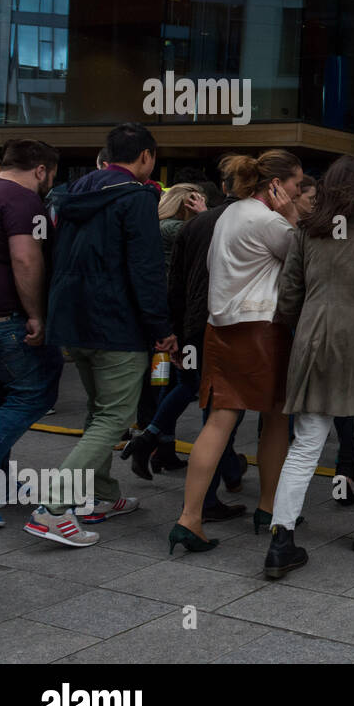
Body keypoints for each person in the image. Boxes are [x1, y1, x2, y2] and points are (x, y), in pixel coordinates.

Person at [26, 124, 175, 546]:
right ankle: (53, 508)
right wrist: (161, 329)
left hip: (71, 319)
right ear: (145, 156)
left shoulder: (71, 194)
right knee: (113, 417)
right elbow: (146, 270)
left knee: (98, 411)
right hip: (116, 324)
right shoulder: (137, 197)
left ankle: (103, 495)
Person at [263, 156, 354, 577]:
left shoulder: (307, 229)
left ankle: (282, 540)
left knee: (307, 441)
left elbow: (289, 294)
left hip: (316, 338)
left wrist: (310, 320)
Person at [169, 150, 302, 554]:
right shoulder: (270, 221)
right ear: (277, 185)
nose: (300, 190)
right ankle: (267, 509)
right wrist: (291, 216)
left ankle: (189, 518)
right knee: (277, 419)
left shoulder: (229, 214)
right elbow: (299, 264)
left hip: (220, 328)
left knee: (219, 421)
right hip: (263, 329)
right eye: (296, 183)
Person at [126, 163, 247, 521]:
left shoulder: (169, 227)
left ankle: (157, 443)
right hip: (197, 324)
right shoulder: (185, 227)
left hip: (177, 322)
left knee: (186, 386)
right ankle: (159, 445)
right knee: (210, 400)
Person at [0, 140, 63, 530]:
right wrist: (36, 314)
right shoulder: (22, 200)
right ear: (41, 170)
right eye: (50, 174)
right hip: (6, 319)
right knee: (35, 391)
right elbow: (25, 257)